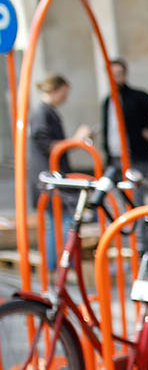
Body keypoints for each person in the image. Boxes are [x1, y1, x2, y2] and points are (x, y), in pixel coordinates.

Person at [27, 73, 93, 269]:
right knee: (62, 219)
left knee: (56, 220)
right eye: (64, 93)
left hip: (52, 174)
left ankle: (57, 266)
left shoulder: (47, 112)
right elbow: (47, 145)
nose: (66, 98)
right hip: (49, 176)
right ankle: (60, 265)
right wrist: (75, 140)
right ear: (55, 90)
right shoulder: (42, 113)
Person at [99, 58, 148, 175]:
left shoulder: (138, 96)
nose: (115, 78)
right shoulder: (108, 101)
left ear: (124, 75)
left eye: (118, 74)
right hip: (115, 155)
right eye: (112, 75)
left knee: (136, 191)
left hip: (136, 155)